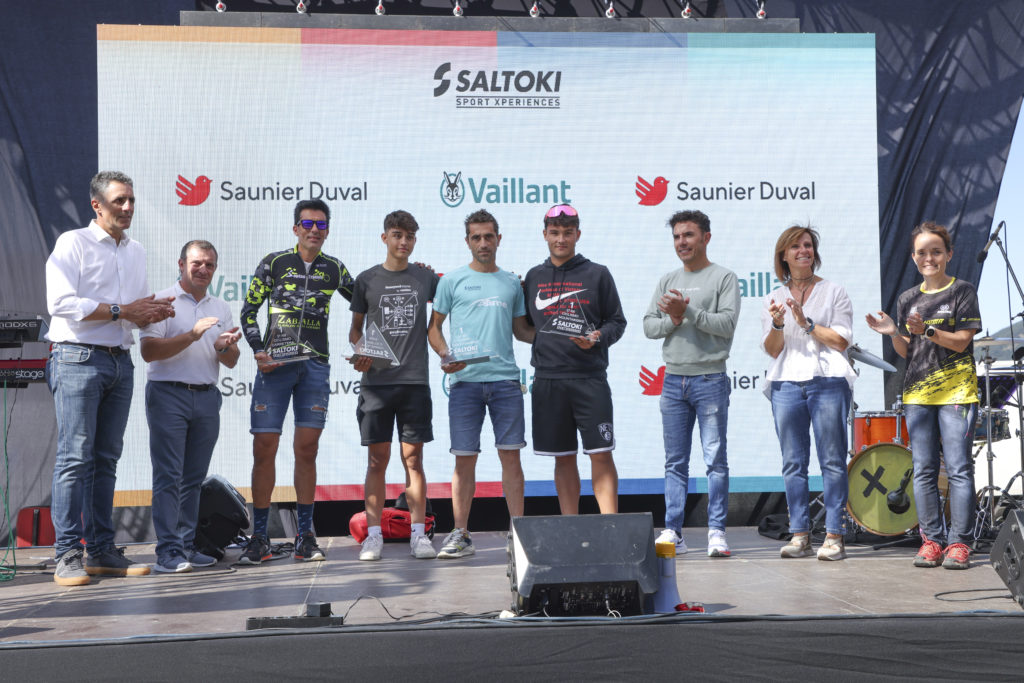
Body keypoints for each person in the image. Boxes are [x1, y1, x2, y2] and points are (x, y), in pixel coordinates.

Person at [45, 170, 175, 586]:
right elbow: (60, 303)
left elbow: (134, 312)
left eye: (131, 200)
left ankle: (100, 549)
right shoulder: (73, 243)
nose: (128, 207)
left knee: (105, 460)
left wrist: (153, 314)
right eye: (120, 200)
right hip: (77, 357)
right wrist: (124, 311)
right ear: (96, 205)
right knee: (74, 458)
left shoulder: (136, 251)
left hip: (120, 361)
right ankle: (67, 553)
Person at [238, 199, 355, 565]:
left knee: (307, 449)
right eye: (307, 224)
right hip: (275, 366)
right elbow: (248, 311)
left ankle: (305, 536)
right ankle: (260, 537)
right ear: (295, 228)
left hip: (314, 367)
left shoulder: (334, 268)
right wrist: (258, 350)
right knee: (264, 447)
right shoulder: (274, 263)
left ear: (328, 231)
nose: (314, 230)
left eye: (321, 225)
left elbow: (367, 300)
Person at [866, 221, 981, 569]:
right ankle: (931, 541)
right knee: (923, 470)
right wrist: (893, 332)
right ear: (914, 257)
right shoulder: (907, 298)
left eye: (936, 251)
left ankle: (959, 543)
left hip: (957, 393)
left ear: (949, 254)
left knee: (959, 469)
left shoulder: (962, 291)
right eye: (921, 253)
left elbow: (961, 342)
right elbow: (907, 351)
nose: (928, 258)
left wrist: (928, 330)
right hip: (918, 394)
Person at [427, 209, 535, 559]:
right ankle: (460, 533)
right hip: (464, 384)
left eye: (489, 236)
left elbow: (521, 330)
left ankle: (517, 534)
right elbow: (434, 328)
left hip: (505, 381)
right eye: (477, 237)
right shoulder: (451, 281)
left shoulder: (511, 283)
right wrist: (445, 354)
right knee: (464, 460)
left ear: (498, 239)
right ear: (468, 241)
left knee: (511, 458)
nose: (483, 243)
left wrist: (556, 336)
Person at [140, 240, 242, 573]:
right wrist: (193, 335)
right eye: (197, 263)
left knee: (193, 478)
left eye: (209, 264)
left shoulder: (220, 306)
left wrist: (225, 347)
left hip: (207, 396)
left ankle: (185, 545)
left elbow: (230, 361)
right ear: (181, 264)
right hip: (168, 394)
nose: (203, 269)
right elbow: (149, 352)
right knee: (168, 476)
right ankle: (167, 552)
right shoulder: (162, 301)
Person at [643, 210, 740, 558]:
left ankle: (717, 532)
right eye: (677, 236)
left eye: (688, 235)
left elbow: (726, 325)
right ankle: (674, 531)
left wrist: (688, 313)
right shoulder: (667, 279)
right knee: (675, 461)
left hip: (710, 378)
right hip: (673, 380)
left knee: (715, 459)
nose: (681, 242)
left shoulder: (724, 277)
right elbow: (649, 327)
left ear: (706, 238)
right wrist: (672, 320)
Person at [761, 226, 856, 561]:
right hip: (786, 383)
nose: (804, 250)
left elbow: (841, 341)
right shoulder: (773, 297)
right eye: (796, 246)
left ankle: (834, 536)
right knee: (793, 463)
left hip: (827, 380)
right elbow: (773, 350)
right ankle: (800, 534)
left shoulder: (834, 291)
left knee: (832, 461)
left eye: (808, 245)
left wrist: (807, 323)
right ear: (784, 255)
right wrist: (778, 324)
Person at [350, 210, 440, 561]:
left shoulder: (425, 277)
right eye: (397, 235)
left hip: (414, 382)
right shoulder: (366, 280)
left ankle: (419, 534)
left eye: (410, 236)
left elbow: (453, 302)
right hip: (377, 384)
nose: (404, 242)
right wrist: (360, 350)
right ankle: (373, 536)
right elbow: (355, 330)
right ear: (384, 237)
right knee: (377, 461)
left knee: (413, 460)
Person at [525, 204, 626, 515]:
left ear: (578, 234)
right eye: (554, 233)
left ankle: (611, 525)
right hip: (548, 381)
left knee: (601, 454)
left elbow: (617, 321)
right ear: (544, 234)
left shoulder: (598, 274)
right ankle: (571, 525)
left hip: (589, 379)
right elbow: (526, 327)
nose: (561, 239)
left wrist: (597, 337)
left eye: (567, 233)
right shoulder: (533, 277)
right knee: (563, 457)